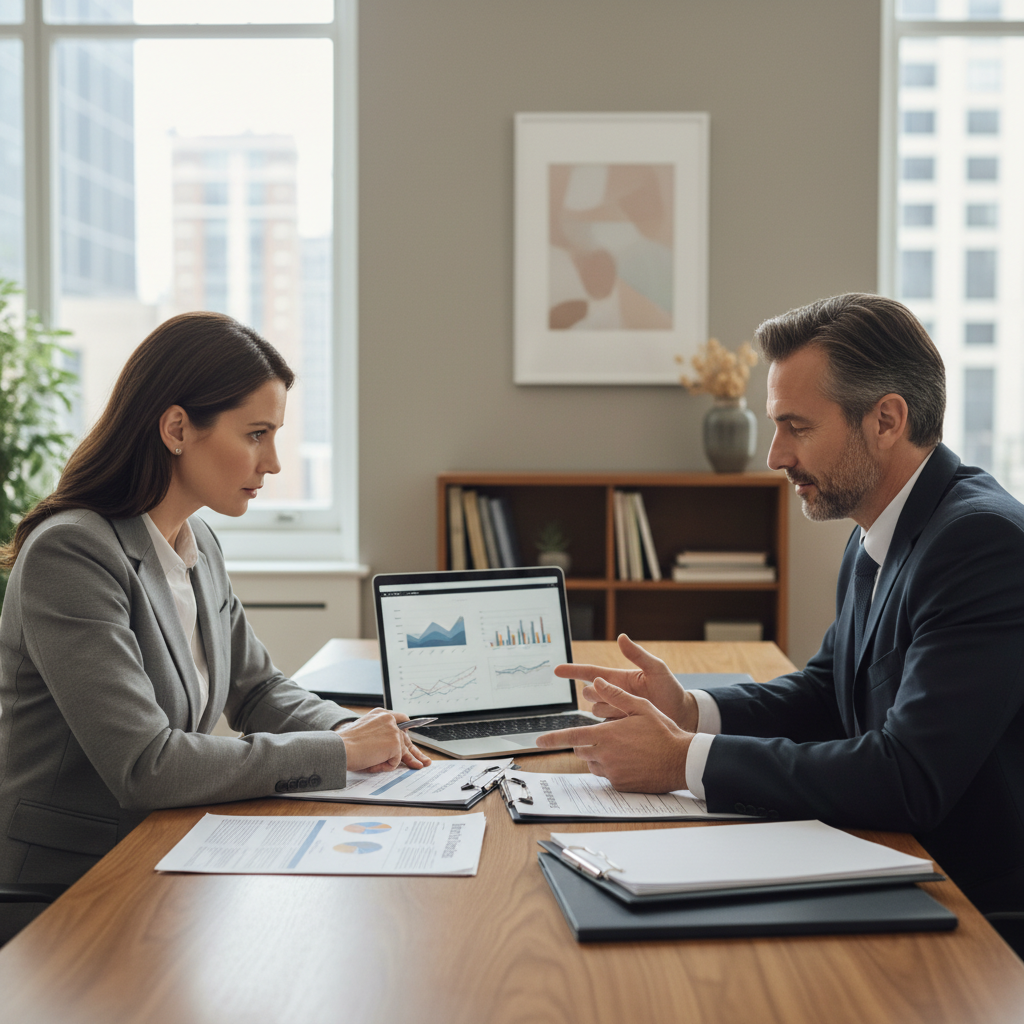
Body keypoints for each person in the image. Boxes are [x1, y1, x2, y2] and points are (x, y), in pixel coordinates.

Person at [538, 292, 1024, 916]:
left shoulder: (980, 543)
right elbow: (828, 694)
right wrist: (688, 709)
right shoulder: (878, 530)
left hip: (977, 912)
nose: (775, 456)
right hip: (895, 862)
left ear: (886, 420)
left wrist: (682, 759)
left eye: (797, 427)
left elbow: (909, 776)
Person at [0, 311, 429, 899]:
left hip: (163, 850)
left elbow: (257, 691)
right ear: (177, 428)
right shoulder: (72, 553)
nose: (273, 462)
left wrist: (354, 729)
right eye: (256, 434)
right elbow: (146, 765)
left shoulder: (197, 541)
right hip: (66, 885)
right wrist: (339, 750)